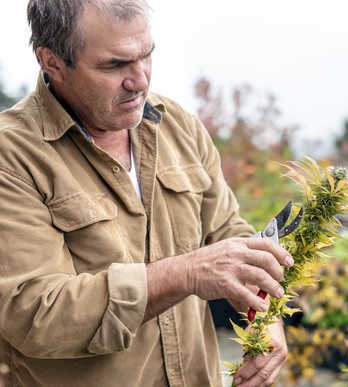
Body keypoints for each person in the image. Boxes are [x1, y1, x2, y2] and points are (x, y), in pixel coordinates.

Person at [0, 0, 293, 386]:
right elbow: (36, 314)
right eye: (115, 65)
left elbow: (230, 237)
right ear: (52, 62)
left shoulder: (177, 127)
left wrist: (266, 317)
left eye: (146, 55)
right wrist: (187, 272)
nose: (139, 80)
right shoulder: (13, 155)